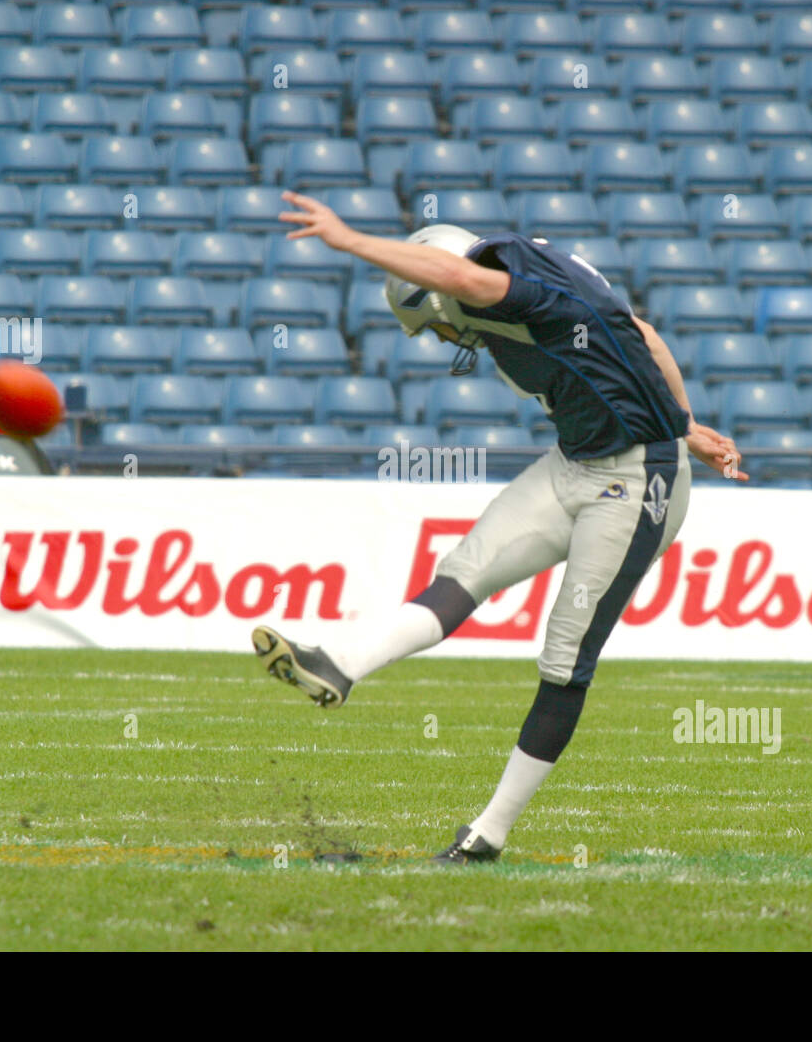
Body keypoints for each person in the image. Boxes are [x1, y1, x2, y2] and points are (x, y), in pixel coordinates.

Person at [252, 190, 748, 865]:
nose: (445, 337)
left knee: (565, 657)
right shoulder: (534, 273)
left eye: (432, 324)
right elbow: (643, 336)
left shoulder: (496, 285)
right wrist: (687, 421)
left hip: (638, 480)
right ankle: (338, 664)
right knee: (463, 572)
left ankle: (489, 831)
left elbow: (458, 279)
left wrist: (348, 239)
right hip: (575, 461)